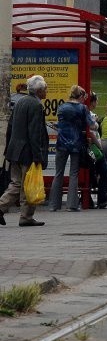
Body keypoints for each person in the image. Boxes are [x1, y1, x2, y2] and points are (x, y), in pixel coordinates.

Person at [0, 75, 49, 227]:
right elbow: (35, 132)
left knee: (16, 183)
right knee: (28, 185)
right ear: (39, 90)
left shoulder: (20, 102)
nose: (46, 91)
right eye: (45, 89)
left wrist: (8, 148)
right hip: (27, 151)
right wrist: (38, 155)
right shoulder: (36, 105)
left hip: (15, 150)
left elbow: (10, 127)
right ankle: (26, 216)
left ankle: (2, 206)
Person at [48, 85, 96, 212]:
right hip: (76, 143)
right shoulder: (83, 108)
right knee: (73, 173)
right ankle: (71, 205)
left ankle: (54, 204)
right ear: (80, 96)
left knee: (58, 173)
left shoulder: (62, 107)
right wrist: (95, 122)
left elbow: (61, 124)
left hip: (61, 143)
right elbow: (91, 125)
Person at [88, 92, 107, 209]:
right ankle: (103, 199)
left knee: (92, 174)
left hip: (90, 148)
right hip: (94, 148)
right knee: (105, 172)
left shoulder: (89, 114)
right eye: (96, 100)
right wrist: (100, 147)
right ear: (92, 102)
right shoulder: (90, 115)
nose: (97, 103)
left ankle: (89, 200)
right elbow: (91, 134)